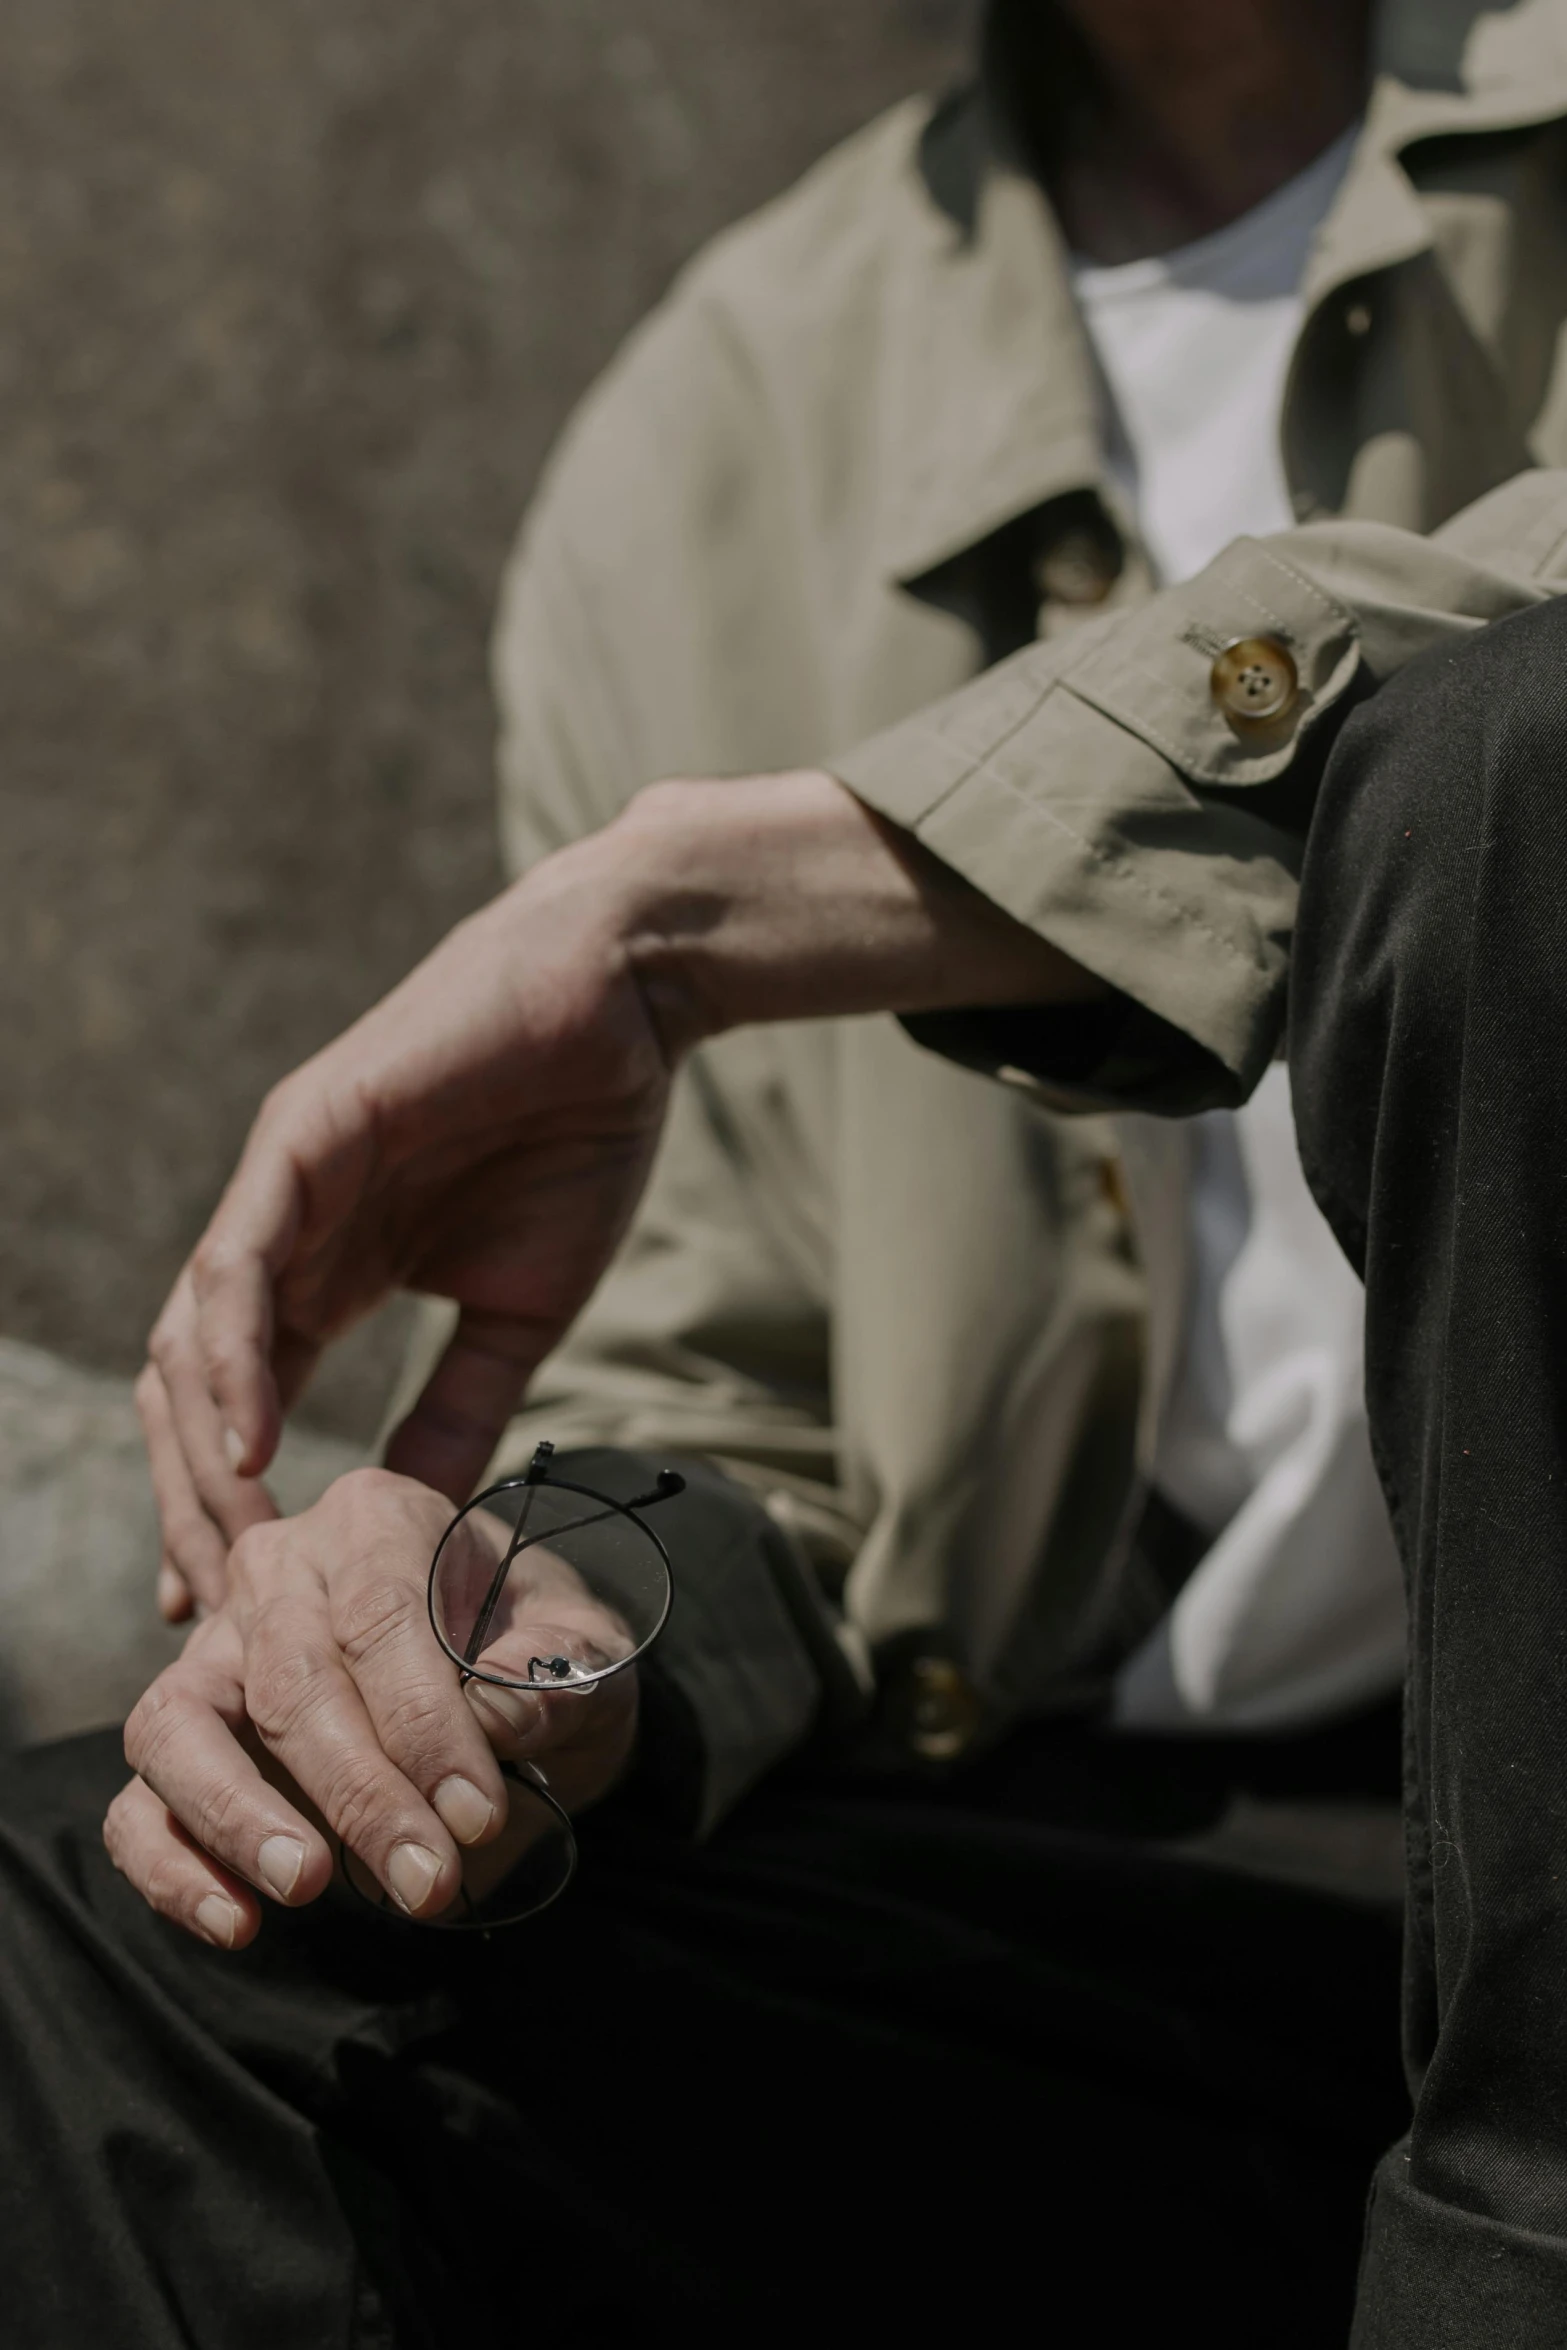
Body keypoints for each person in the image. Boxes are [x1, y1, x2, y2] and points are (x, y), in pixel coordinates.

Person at [8, 1, 1567, 2341]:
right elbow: (742, 1408)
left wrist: (743, 898)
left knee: (1506, 762)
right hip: (1149, 1877)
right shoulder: (713, 423)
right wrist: (528, 1632)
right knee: (124, 1924)